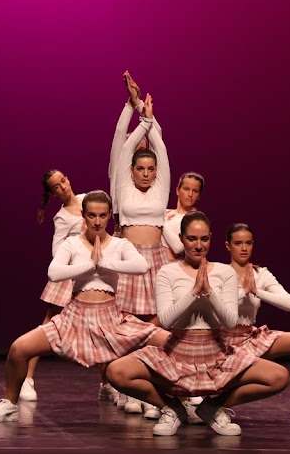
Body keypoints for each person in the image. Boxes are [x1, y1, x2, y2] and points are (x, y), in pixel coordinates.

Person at [0, 191, 170, 423]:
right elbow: (54, 272)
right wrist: (89, 264)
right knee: (19, 349)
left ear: (110, 215)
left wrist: (103, 262)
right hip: (73, 318)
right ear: (83, 215)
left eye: (102, 215)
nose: (98, 221)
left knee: (169, 342)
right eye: (92, 215)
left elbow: (141, 266)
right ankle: (10, 403)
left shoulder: (120, 244)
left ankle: (177, 403)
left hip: (110, 320)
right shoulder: (72, 244)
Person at [104, 211, 290, 436]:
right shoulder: (168, 272)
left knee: (279, 376)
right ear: (182, 238)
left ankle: (213, 407)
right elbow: (165, 319)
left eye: (204, 239)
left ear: (211, 238)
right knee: (116, 371)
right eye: (192, 239)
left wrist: (209, 292)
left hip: (216, 354)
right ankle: (171, 409)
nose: (199, 245)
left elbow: (230, 322)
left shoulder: (224, 272)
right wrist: (193, 292)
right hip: (177, 352)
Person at [107, 74, 172, 415]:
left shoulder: (161, 188)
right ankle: (125, 384)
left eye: (151, 169)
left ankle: (150, 383)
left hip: (157, 259)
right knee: (126, 323)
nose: (146, 173)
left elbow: (158, 144)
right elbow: (124, 143)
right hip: (129, 256)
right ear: (130, 171)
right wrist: (135, 113)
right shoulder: (124, 183)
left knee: (155, 324)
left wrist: (150, 118)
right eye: (140, 169)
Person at [224, 223, 290, 421]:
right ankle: (215, 404)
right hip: (224, 342)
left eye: (248, 243)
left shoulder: (260, 274)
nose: (243, 248)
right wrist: (243, 292)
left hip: (250, 337)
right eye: (238, 243)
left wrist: (257, 290)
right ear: (227, 246)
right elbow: (222, 310)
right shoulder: (219, 273)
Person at [19, 170, 85, 402]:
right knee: (49, 324)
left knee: (104, 326)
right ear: (52, 193)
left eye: (64, 181)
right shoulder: (63, 217)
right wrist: (77, 245)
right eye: (56, 186)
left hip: (95, 271)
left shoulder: (89, 199)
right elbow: (56, 252)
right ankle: (27, 378)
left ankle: (108, 385)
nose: (63, 187)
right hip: (72, 273)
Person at [162, 172, 205, 259]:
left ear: (199, 195)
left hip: (175, 267)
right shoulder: (165, 213)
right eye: (186, 189)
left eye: (195, 191)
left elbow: (179, 248)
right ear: (178, 190)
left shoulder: (195, 220)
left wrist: (162, 221)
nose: (190, 194)